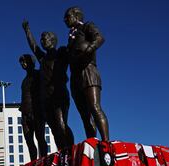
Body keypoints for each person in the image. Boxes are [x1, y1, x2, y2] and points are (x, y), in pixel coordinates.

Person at [22, 20, 74, 150]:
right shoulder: (42, 58)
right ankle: (62, 151)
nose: (42, 41)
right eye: (41, 39)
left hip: (59, 94)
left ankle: (71, 148)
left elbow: (72, 50)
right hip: (47, 99)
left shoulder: (61, 53)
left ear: (52, 40)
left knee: (61, 124)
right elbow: (33, 46)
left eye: (44, 39)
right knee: (54, 129)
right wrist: (27, 31)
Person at [64, 6, 110, 141]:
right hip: (75, 76)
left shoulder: (87, 26)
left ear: (76, 16)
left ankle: (106, 143)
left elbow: (100, 38)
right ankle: (92, 143)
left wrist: (89, 49)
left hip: (88, 71)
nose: (65, 20)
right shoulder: (71, 37)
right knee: (84, 115)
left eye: (67, 16)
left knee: (95, 107)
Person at [19, 54, 48, 160]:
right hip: (25, 113)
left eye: (24, 61)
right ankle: (34, 163)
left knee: (40, 138)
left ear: (32, 61)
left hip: (36, 112)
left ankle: (44, 160)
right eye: (21, 62)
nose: (23, 63)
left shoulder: (38, 75)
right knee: (29, 140)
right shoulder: (24, 81)